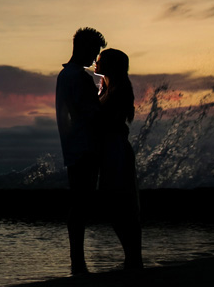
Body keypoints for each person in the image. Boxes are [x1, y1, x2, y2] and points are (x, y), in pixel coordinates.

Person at [55, 27, 107, 275]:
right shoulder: (80, 77)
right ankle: (78, 261)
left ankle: (77, 259)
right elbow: (91, 114)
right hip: (85, 146)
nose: (95, 58)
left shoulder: (64, 75)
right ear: (84, 48)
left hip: (73, 145)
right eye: (94, 52)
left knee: (79, 203)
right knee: (82, 204)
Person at [97, 48, 143, 270]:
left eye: (101, 59)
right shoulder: (106, 87)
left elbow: (108, 123)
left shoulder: (120, 90)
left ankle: (133, 257)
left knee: (121, 203)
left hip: (116, 150)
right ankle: (132, 257)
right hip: (110, 150)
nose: (96, 62)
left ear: (112, 65)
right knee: (116, 203)